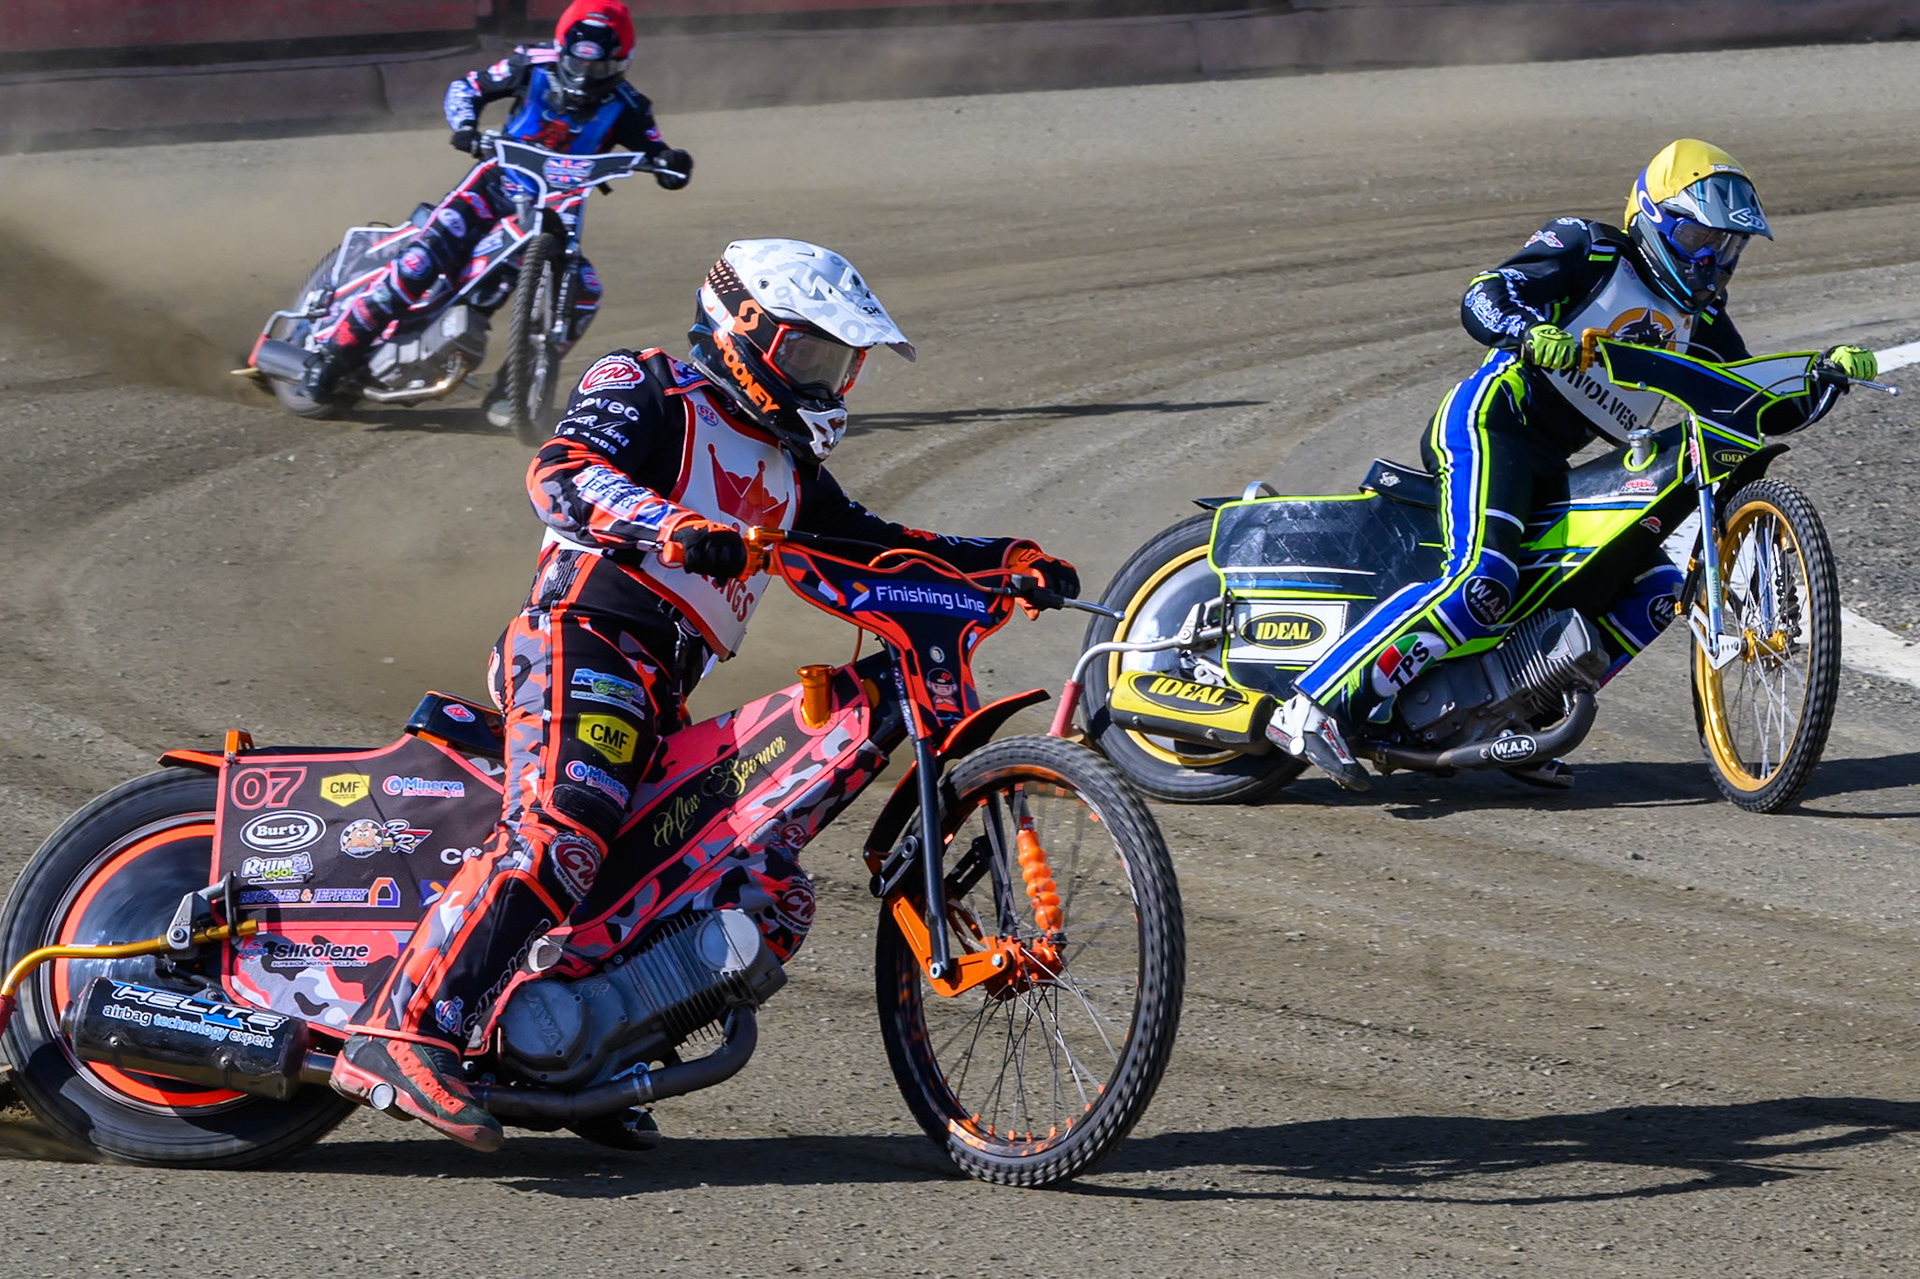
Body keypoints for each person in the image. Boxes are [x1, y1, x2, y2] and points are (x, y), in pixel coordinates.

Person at [328, 239, 1080, 1150]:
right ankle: (404, 1033)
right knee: (568, 821)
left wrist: (1005, 561)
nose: (826, 380)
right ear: (743, 330)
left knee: (754, 885)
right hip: (584, 637)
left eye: (840, 363)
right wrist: (679, 527)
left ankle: (592, 1058)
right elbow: (562, 475)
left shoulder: (788, 467)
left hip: (662, 686)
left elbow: (876, 545)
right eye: (810, 354)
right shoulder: (645, 383)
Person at [1268, 139, 1879, 791]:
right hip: (1492, 422)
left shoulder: (1701, 318)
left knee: (1651, 595)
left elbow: (1743, 404)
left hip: (1555, 464)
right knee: (1482, 580)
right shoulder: (1590, 248)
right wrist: (1529, 331)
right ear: (1656, 219)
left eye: (1727, 245)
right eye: (1702, 235)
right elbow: (1484, 294)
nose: (1713, 258)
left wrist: (1821, 377)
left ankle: (1507, 717)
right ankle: (1311, 708)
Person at [300, 0, 692, 410]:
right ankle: (333, 355)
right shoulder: (530, 65)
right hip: (490, 189)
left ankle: (512, 391)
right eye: (578, 65)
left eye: (599, 70)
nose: (585, 78)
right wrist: (466, 127)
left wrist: (671, 163)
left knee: (583, 293)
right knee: (420, 263)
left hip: (559, 212)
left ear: (621, 63)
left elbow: (657, 151)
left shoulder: (630, 106)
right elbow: (465, 88)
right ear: (562, 50)